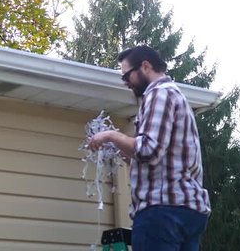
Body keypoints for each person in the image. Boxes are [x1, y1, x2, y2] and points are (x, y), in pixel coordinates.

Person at [88, 45, 210, 251]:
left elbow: (148, 150)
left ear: (145, 66)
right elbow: (155, 156)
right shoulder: (175, 95)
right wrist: (117, 148)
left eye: (126, 76)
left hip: (162, 211)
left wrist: (111, 135)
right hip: (188, 211)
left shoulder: (158, 94)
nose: (125, 83)